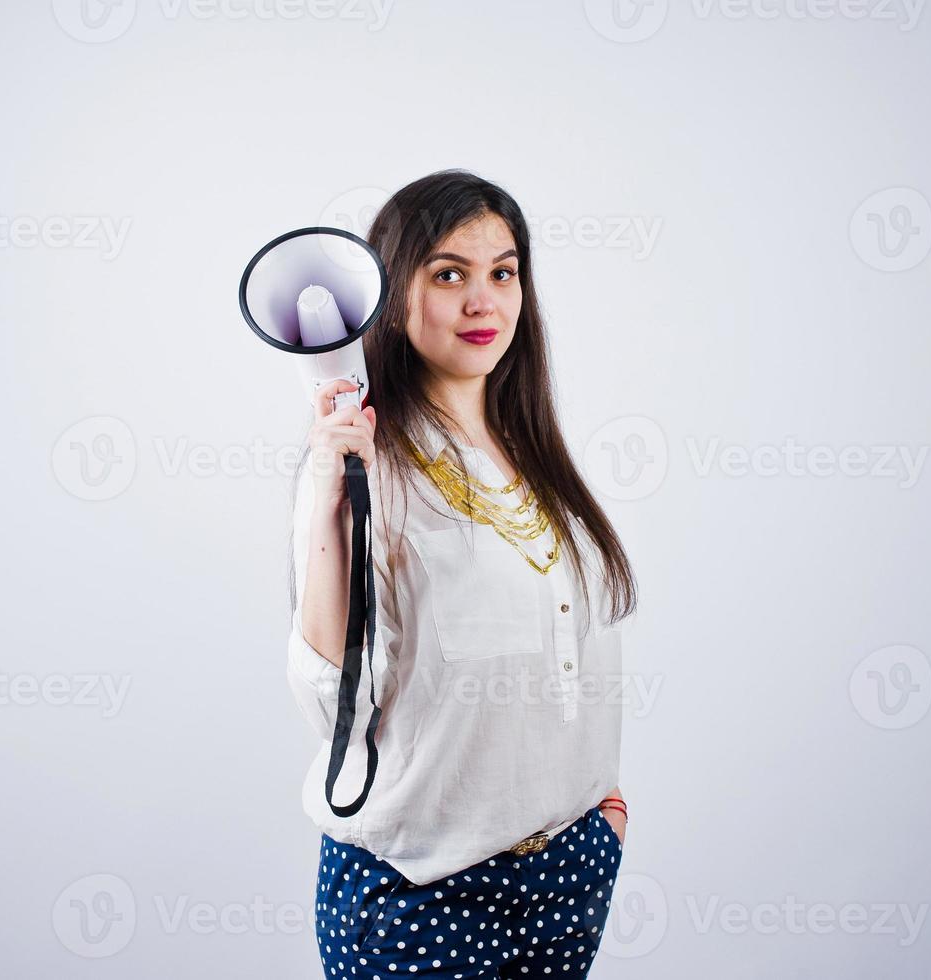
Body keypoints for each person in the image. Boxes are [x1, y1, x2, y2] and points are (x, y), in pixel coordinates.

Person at [286, 169, 638, 979]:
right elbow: (330, 697)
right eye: (449, 274)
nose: (484, 301)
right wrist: (333, 508)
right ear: (390, 290)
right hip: (422, 890)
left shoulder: (537, 459)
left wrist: (597, 809)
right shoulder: (368, 470)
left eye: (502, 272)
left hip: (567, 873)